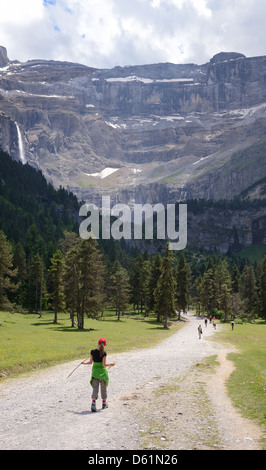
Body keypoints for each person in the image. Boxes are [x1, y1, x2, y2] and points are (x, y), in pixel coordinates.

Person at [82, 337, 115, 412]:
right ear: (104, 345)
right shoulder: (104, 353)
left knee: (95, 389)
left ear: (98, 343)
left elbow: (90, 362)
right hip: (102, 374)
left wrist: (84, 363)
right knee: (103, 389)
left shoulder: (92, 351)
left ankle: (93, 403)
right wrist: (111, 364)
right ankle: (104, 403)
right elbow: (103, 365)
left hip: (95, 373)